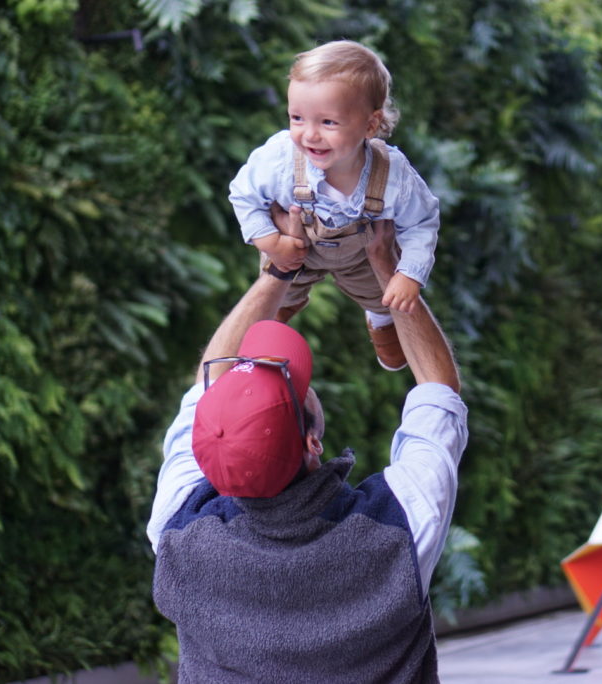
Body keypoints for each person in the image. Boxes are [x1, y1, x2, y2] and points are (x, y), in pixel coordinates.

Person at [147, 212, 467, 682]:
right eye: (292, 388)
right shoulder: (395, 528)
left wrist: (276, 273)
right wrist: (388, 268)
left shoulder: (177, 534)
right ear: (312, 441)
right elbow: (440, 391)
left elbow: (207, 378)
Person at [229, 40, 441, 371]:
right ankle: (275, 322)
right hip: (295, 247)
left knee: (381, 292)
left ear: (370, 125)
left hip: (363, 256)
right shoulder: (280, 159)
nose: (309, 135)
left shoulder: (392, 175)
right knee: (280, 292)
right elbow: (244, 195)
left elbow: (421, 222)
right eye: (297, 117)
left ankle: (380, 317)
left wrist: (409, 274)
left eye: (328, 123)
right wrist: (269, 241)